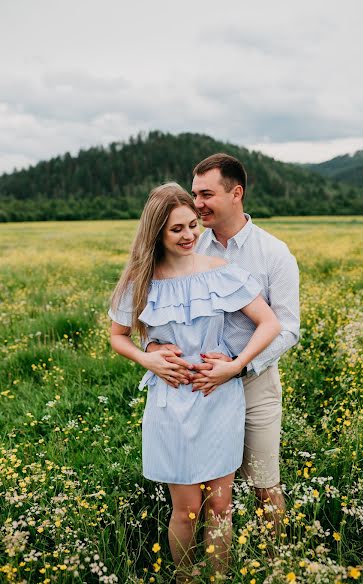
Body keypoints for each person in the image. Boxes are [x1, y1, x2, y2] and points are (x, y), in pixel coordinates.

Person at [108, 183, 282, 582]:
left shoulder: (221, 274)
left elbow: (270, 323)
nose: (188, 236)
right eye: (176, 230)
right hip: (170, 401)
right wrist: (147, 356)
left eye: (192, 225)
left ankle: (217, 578)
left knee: (221, 505)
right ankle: (185, 578)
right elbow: (118, 336)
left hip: (219, 397)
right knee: (186, 508)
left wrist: (236, 364)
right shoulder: (141, 280)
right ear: (157, 234)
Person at [147, 154, 300, 528]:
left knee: (265, 484)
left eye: (206, 194)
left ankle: (274, 561)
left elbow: (288, 327)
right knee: (202, 494)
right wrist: (153, 348)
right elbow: (160, 310)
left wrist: (238, 366)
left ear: (236, 193)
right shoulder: (190, 244)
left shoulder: (273, 253)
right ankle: (201, 563)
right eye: (195, 194)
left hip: (254, 381)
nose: (197, 204)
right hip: (199, 389)